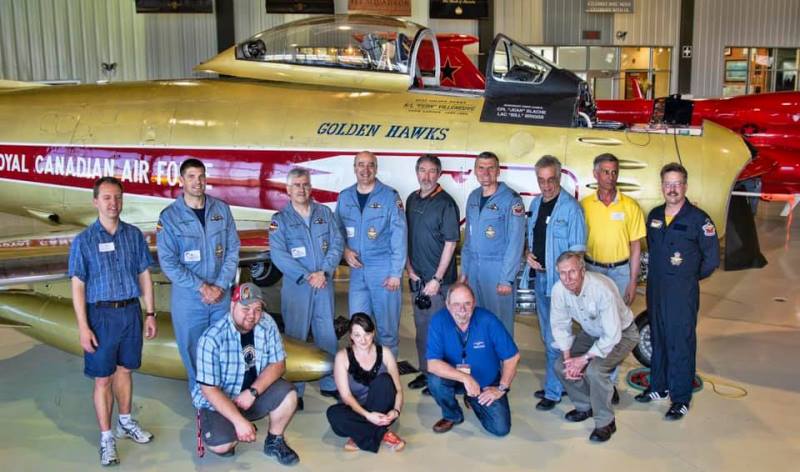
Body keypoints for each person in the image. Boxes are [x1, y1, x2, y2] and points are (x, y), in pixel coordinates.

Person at [68, 176, 158, 466]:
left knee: (125, 371)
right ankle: (107, 437)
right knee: (103, 378)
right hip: (101, 316)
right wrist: (83, 326)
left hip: (130, 312)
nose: (113, 203)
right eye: (106, 197)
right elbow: (78, 285)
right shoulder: (83, 241)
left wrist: (150, 312)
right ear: (96, 201)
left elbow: (144, 274)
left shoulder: (133, 236)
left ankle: (125, 421)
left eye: (117, 197)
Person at [636, 163, 720, 420]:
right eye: (667, 184)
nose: (672, 189)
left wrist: (687, 278)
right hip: (656, 289)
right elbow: (652, 248)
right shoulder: (654, 215)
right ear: (661, 186)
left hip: (682, 294)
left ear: (685, 186)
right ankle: (658, 387)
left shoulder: (699, 220)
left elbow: (711, 259)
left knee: (680, 343)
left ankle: (681, 397)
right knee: (659, 338)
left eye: (677, 183)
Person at [156, 158, 240, 394]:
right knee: (193, 351)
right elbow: (169, 262)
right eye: (191, 177)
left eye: (201, 176)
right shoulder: (170, 217)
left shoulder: (221, 210)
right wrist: (203, 288)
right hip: (190, 300)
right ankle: (202, 401)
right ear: (181, 180)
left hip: (221, 297)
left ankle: (226, 400)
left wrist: (221, 285)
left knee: (224, 348)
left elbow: (233, 249)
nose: (198, 182)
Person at [193, 283, 300, 465]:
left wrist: (253, 392)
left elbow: (278, 364)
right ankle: (231, 426)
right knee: (222, 446)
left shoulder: (267, 323)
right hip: (222, 400)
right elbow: (209, 390)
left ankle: (275, 440)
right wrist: (238, 422)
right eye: (246, 308)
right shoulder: (212, 339)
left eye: (257, 309)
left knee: (289, 395)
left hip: (251, 394)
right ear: (232, 306)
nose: (252, 315)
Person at [269, 168, 344, 405]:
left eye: (306, 184)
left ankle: (330, 383)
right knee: (295, 337)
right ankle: (295, 389)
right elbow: (279, 255)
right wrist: (305, 275)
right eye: (297, 185)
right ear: (288, 190)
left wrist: (325, 271)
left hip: (323, 283)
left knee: (327, 334)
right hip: (297, 286)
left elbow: (337, 243)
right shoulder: (280, 220)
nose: (302, 189)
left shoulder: (324, 213)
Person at [519, 156, 587, 411]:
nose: (546, 185)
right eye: (541, 180)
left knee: (557, 338)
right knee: (549, 337)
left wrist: (570, 285)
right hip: (541, 280)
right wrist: (527, 255)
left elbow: (578, 253)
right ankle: (555, 381)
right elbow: (532, 237)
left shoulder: (571, 208)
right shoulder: (536, 204)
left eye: (551, 180)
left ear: (559, 178)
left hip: (561, 285)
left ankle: (555, 391)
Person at [550, 251, 640, 442]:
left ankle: (606, 422)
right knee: (560, 366)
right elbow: (559, 325)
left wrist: (582, 360)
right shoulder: (559, 290)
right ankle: (585, 406)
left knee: (595, 371)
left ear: (582, 270)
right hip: (593, 333)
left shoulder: (601, 289)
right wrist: (568, 359)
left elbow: (612, 335)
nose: (567, 278)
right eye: (563, 273)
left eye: (572, 272)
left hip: (621, 334)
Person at [335, 151, 407, 357]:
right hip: (357, 272)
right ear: (354, 168)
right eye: (361, 165)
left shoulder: (389, 197)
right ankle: (363, 371)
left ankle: (387, 374)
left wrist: (395, 273)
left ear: (376, 168)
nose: (365, 170)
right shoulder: (345, 196)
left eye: (370, 165)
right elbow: (337, 229)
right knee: (358, 327)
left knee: (387, 329)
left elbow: (399, 236)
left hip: (383, 270)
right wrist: (345, 251)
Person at [426, 283, 520, 436]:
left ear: (474, 303)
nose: (462, 310)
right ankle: (452, 415)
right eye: (456, 304)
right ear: (447, 305)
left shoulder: (488, 321)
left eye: (467, 304)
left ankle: (473, 400)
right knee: (435, 381)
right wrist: (465, 378)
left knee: (500, 429)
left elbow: (512, 356)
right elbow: (432, 364)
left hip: (485, 381)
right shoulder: (438, 321)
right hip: (455, 378)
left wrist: (502, 388)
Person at [405, 154, 460, 393]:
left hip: (438, 283)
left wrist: (437, 279)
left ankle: (442, 378)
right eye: (422, 171)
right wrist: (409, 269)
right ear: (417, 172)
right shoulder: (411, 200)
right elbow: (405, 237)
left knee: (440, 332)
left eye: (432, 171)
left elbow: (450, 243)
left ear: (439, 174)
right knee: (422, 330)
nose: (426, 176)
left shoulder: (446, 203)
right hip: (418, 280)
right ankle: (427, 372)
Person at [460, 151, 525, 337]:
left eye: (490, 168)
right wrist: (465, 272)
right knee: (476, 321)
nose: (485, 172)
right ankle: (484, 363)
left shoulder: (511, 200)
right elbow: (469, 238)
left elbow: (516, 242)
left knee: (500, 325)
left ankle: (505, 365)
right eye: (481, 168)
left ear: (498, 171)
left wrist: (506, 278)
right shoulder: (473, 197)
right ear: (475, 171)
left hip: (497, 270)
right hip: (474, 269)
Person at [326, 313, 405, 453]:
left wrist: (396, 411)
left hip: (382, 412)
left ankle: (359, 433)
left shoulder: (385, 353)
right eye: (357, 335)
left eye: (367, 334)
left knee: (385, 381)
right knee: (333, 414)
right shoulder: (342, 357)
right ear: (350, 336)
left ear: (373, 333)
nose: (363, 340)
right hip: (355, 410)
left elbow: (398, 389)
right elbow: (346, 396)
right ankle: (382, 434)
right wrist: (368, 416)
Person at [580, 153, 646, 304]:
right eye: (605, 172)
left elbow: (636, 247)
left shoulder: (630, 206)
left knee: (618, 318)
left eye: (614, 172)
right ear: (595, 174)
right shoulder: (584, 206)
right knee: (592, 316)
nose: (611, 177)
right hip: (592, 270)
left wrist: (633, 281)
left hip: (621, 273)